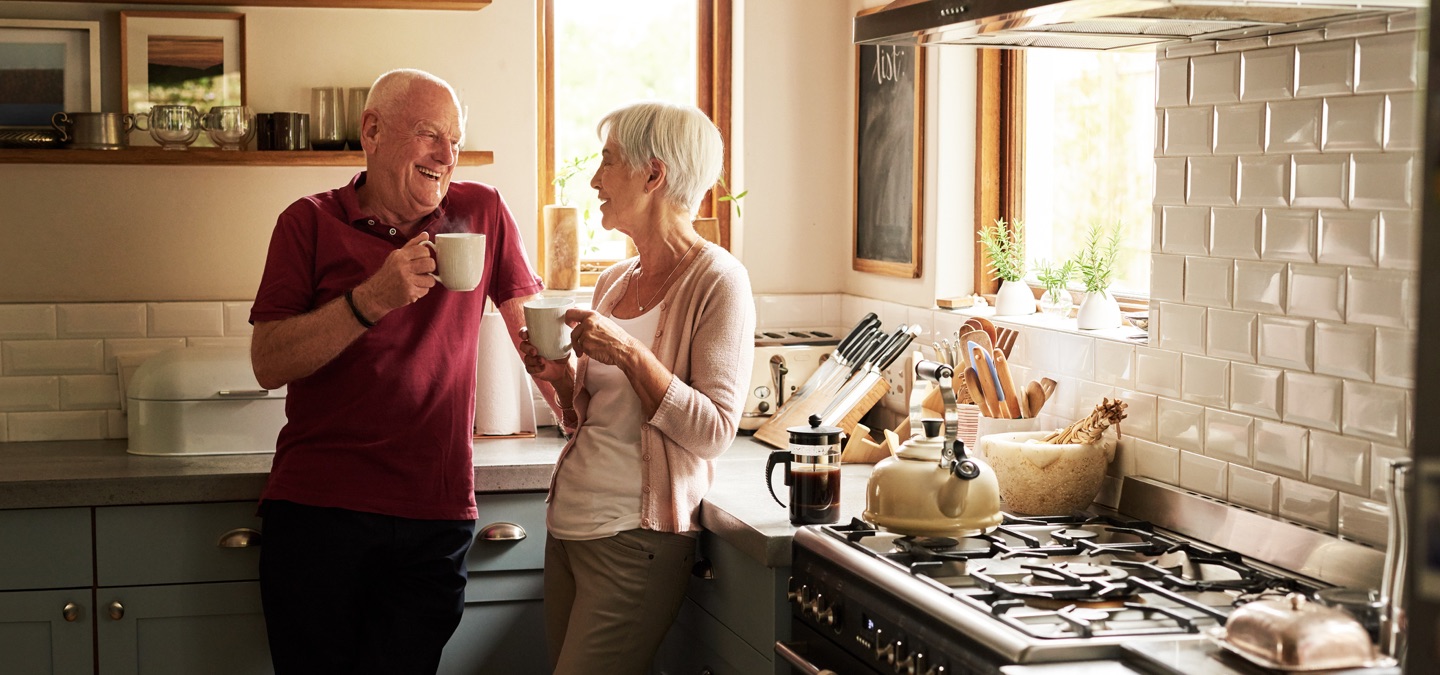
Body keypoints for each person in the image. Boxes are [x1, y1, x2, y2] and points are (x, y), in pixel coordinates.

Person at [248, 68, 548, 675]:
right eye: (429, 135)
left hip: (433, 514)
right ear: (373, 131)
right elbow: (267, 362)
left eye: (456, 141)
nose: (447, 156)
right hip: (319, 512)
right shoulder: (306, 222)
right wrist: (371, 299)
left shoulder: (481, 211)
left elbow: (530, 333)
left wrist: (582, 408)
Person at [520, 101, 756, 674]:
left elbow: (714, 430)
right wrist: (563, 380)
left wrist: (629, 354)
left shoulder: (719, 280)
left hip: (635, 541)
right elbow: (598, 420)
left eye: (608, 162)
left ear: (654, 174)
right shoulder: (611, 281)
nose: (596, 180)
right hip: (568, 530)